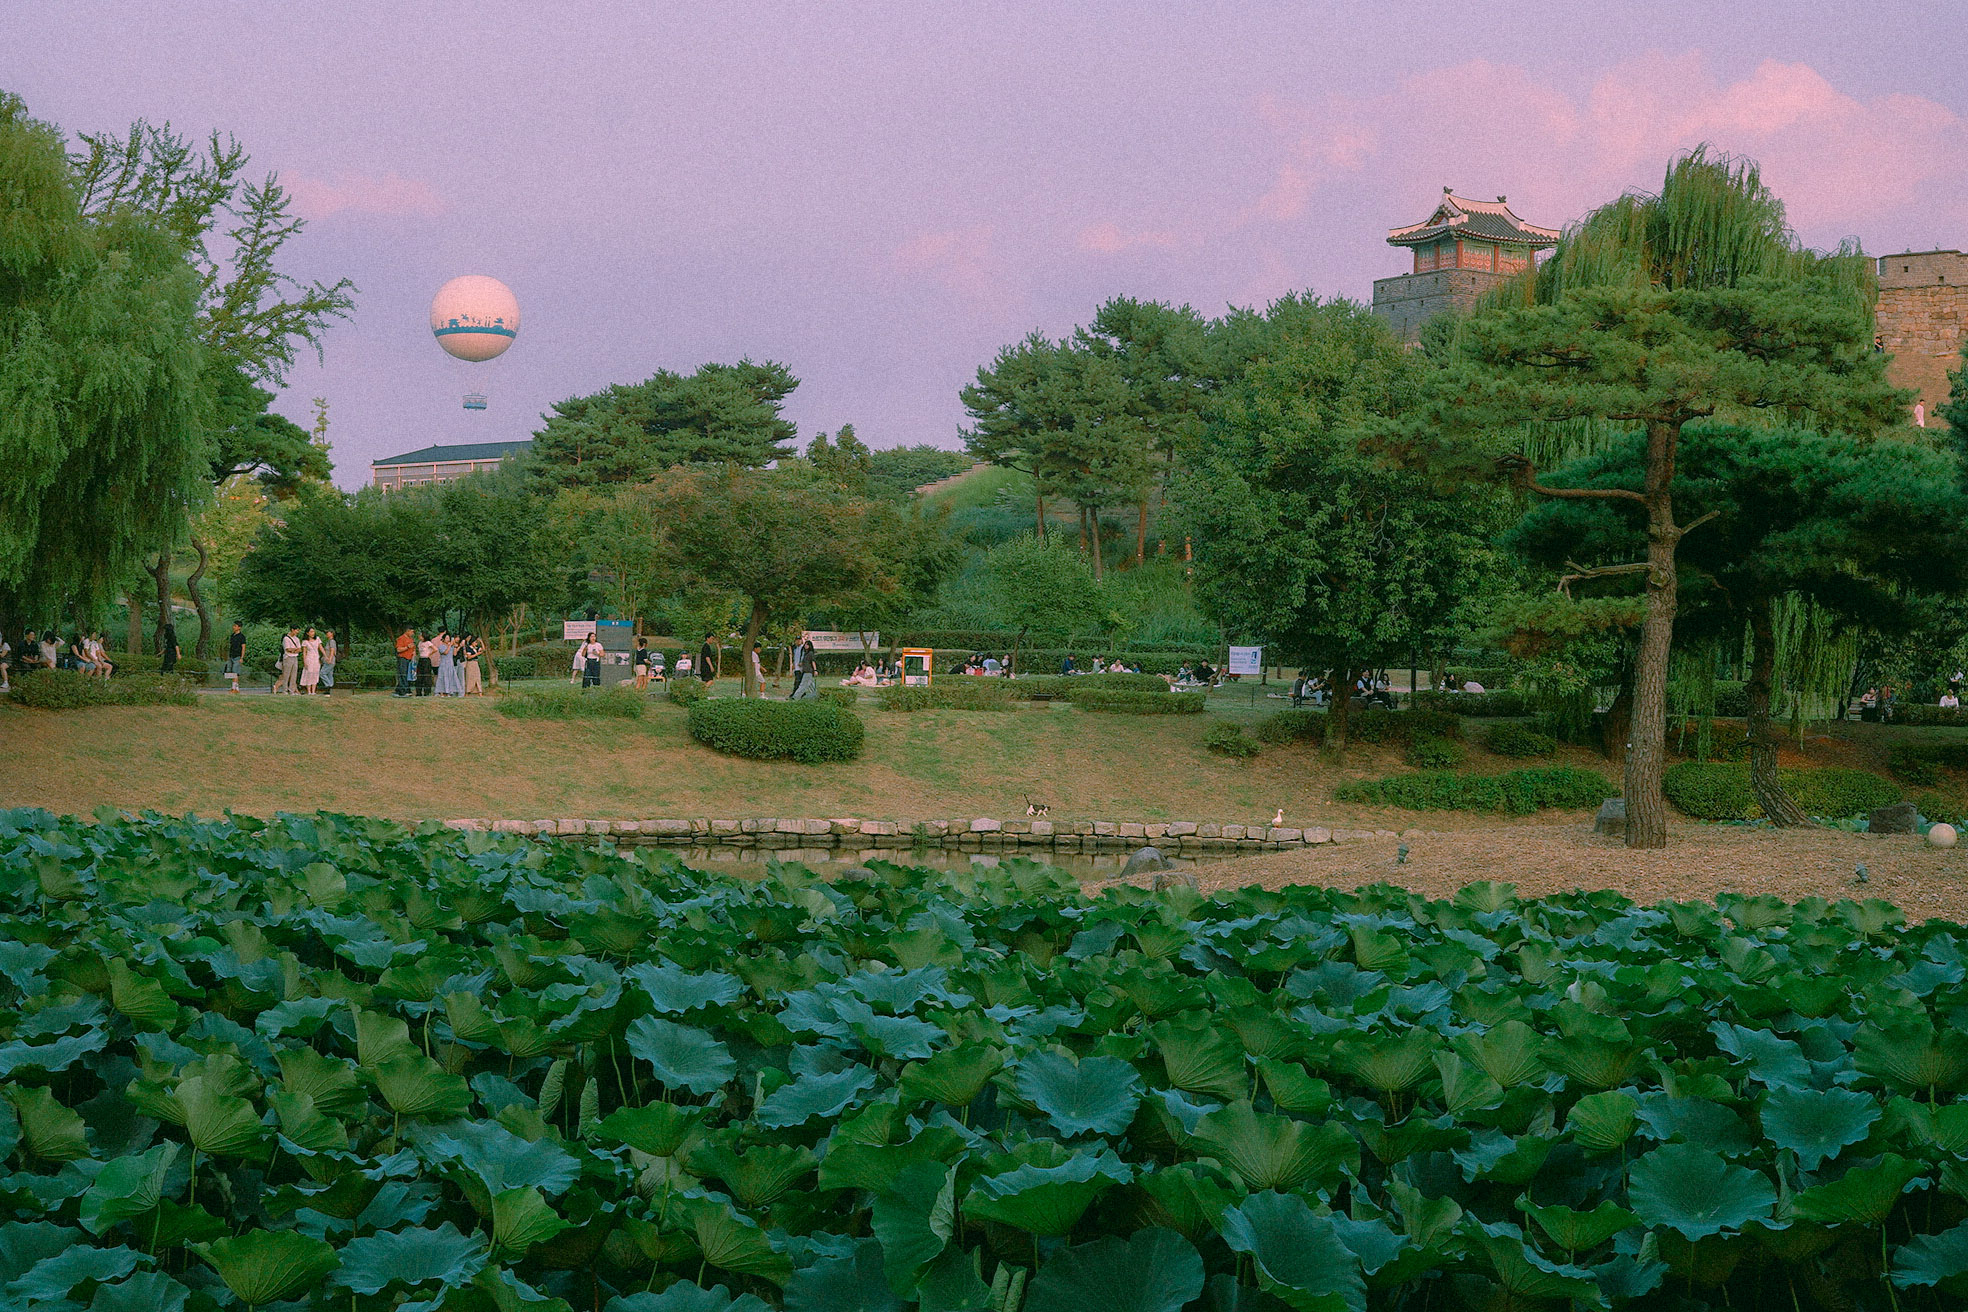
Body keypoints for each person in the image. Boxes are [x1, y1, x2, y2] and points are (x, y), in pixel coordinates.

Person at [272, 626, 301, 694]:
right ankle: (284, 690)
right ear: (292, 630)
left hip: (295, 657)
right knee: (286, 675)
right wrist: (294, 650)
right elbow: (288, 649)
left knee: (294, 675)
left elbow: (299, 649)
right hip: (288, 657)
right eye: (296, 630)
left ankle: (292, 690)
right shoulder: (286, 638)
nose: (297, 632)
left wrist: (294, 650)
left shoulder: (297, 639)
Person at [435, 630, 462, 696]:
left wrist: (455, 646)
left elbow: (454, 654)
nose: (448, 639)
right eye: (446, 638)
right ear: (443, 639)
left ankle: (449, 691)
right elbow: (445, 652)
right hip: (444, 664)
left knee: (450, 678)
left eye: (449, 638)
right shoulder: (441, 646)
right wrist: (450, 645)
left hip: (450, 664)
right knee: (443, 677)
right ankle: (441, 692)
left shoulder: (451, 646)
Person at [394, 626, 416, 696]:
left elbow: (413, 648)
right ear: (408, 631)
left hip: (410, 659)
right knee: (403, 674)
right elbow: (398, 649)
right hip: (403, 658)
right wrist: (407, 647)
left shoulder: (411, 639)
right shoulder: (401, 638)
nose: (413, 633)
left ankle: (405, 689)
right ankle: (403, 690)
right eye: (412, 632)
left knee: (408, 675)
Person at [299, 627, 322, 694]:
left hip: (316, 658)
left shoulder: (317, 639)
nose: (313, 633)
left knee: (315, 673)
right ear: (307, 633)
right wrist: (305, 661)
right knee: (309, 673)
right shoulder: (305, 641)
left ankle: (313, 691)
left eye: (313, 631)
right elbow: (304, 652)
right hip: (309, 658)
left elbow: (321, 648)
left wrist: (325, 656)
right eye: (311, 632)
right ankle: (309, 691)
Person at [226, 622, 246, 693]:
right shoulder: (232, 636)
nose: (233, 627)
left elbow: (243, 647)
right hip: (231, 655)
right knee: (231, 672)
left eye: (235, 626)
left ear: (239, 627)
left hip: (237, 656)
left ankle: (234, 688)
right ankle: (235, 688)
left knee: (235, 672)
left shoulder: (242, 637)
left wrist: (242, 657)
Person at [417, 631, 436, 697]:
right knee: (419, 676)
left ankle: (426, 692)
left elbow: (435, 649)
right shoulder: (420, 643)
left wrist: (429, 654)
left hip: (426, 659)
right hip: (421, 659)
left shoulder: (428, 643)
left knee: (426, 676)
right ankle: (418, 692)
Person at [321, 629, 338, 696]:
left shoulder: (332, 641)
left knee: (322, 673)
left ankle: (329, 686)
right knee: (329, 675)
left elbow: (332, 650)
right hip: (328, 660)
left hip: (330, 660)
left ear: (332, 633)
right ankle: (331, 689)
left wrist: (330, 659)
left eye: (328, 632)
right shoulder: (329, 641)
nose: (326, 634)